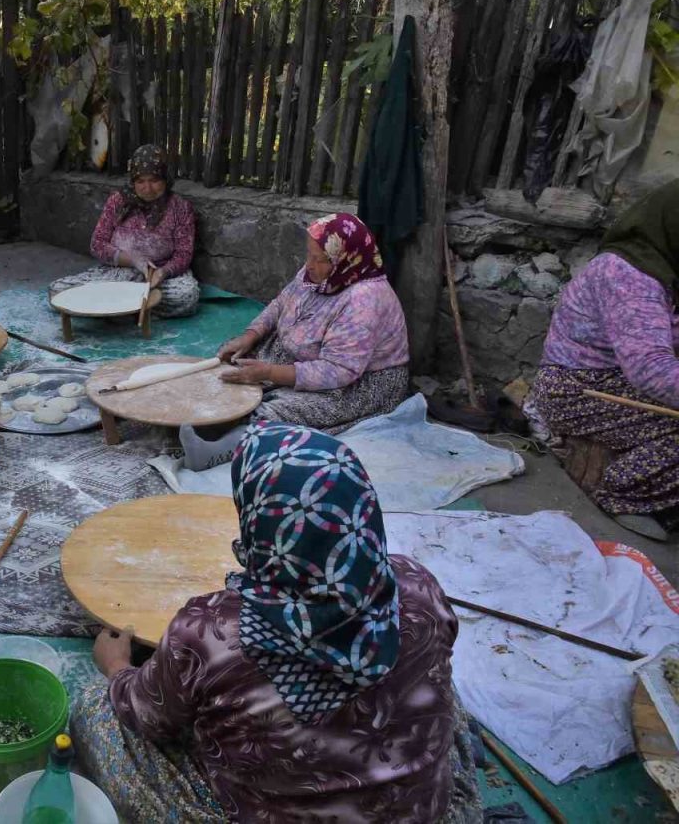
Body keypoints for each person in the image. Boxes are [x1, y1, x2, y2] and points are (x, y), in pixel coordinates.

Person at [70, 422, 481, 823]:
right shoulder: (417, 587)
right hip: (421, 811)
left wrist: (117, 667)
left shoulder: (209, 634)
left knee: (97, 708)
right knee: (437, 689)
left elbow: (149, 719)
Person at [181, 212, 409, 470]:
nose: (309, 264)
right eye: (308, 255)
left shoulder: (364, 300)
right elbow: (281, 303)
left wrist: (269, 373)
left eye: (318, 259)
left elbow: (339, 370)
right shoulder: (320, 272)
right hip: (298, 356)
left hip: (355, 383)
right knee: (230, 368)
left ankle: (217, 451)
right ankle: (210, 418)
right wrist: (251, 335)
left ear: (344, 259)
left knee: (277, 410)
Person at [528, 179, 679, 541]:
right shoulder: (628, 274)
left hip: (617, 382)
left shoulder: (669, 270)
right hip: (578, 388)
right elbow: (650, 368)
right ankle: (619, 492)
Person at [49, 144, 201, 319]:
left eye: (154, 180)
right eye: (140, 181)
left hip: (159, 277)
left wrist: (162, 272)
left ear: (166, 178)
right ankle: (130, 309)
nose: (148, 188)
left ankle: (115, 310)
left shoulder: (180, 207)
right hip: (119, 272)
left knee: (187, 296)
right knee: (58, 292)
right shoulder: (118, 201)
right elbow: (97, 244)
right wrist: (133, 260)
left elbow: (184, 254)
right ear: (132, 181)